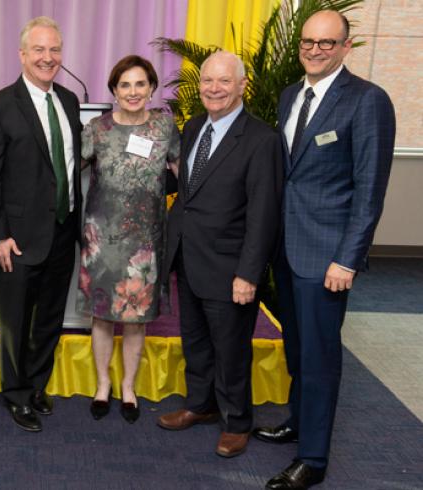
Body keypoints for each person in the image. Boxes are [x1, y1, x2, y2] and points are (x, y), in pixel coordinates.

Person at [257, 10, 395, 489]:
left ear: (345, 47)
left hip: (327, 257)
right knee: (297, 350)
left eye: (326, 43)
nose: (315, 50)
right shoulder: (291, 95)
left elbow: (369, 188)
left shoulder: (367, 101)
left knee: (320, 359)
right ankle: (298, 422)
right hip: (287, 250)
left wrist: (348, 258)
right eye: (308, 43)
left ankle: (312, 461)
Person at [156, 51, 282, 458]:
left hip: (230, 267)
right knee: (194, 340)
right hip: (188, 258)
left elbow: (263, 214)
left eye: (223, 81)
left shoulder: (262, 139)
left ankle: (237, 422)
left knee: (231, 348)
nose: (213, 88)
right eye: (208, 80)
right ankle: (201, 405)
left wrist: (248, 273)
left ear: (242, 85)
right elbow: (186, 191)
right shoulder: (194, 126)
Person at [0, 16, 82, 432]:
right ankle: (16, 394)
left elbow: (68, 167)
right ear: (22, 55)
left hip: (63, 230)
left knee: (51, 316)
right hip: (16, 239)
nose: (47, 57)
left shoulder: (70, 102)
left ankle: (37, 385)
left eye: (54, 50)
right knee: (16, 319)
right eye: (38, 50)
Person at [77, 55, 180, 424]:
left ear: (152, 88)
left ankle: (128, 387)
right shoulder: (97, 129)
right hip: (102, 243)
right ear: (114, 91)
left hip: (144, 246)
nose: (133, 92)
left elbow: (189, 177)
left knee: (137, 321)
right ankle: (103, 385)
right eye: (125, 85)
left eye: (140, 84)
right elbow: (65, 172)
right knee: (103, 318)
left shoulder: (165, 128)